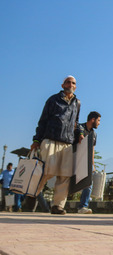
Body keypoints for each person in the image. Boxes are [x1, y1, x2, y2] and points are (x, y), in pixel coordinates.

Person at [31, 75, 81, 215]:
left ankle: (57, 206)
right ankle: (31, 194)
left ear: (75, 86)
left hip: (67, 142)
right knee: (47, 171)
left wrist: (80, 133)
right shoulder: (53, 100)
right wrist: (36, 140)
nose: (70, 84)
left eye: (73, 83)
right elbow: (43, 120)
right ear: (62, 85)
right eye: (68, 82)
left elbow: (76, 122)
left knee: (65, 175)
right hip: (50, 139)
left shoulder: (77, 103)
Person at [76, 111, 101, 214]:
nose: (99, 123)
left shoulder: (94, 134)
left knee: (88, 183)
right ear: (92, 119)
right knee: (67, 182)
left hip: (86, 162)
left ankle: (83, 207)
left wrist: (92, 164)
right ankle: (57, 204)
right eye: (98, 120)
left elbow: (92, 149)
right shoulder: (79, 127)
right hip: (75, 159)